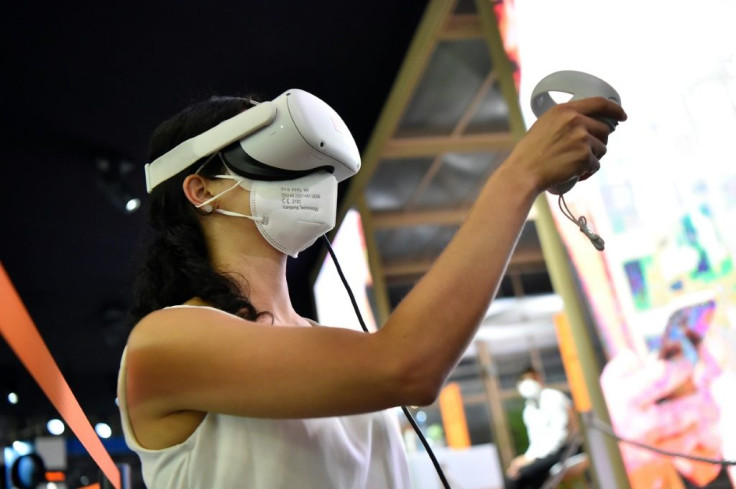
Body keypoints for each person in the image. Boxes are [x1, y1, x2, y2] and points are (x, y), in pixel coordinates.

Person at [117, 91, 626, 489]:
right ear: (201, 189)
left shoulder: (326, 343)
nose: (308, 178)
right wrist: (521, 175)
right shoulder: (166, 342)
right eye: (275, 155)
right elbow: (407, 365)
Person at [506, 367, 576, 489]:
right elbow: (536, 441)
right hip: (545, 454)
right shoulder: (529, 409)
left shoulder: (553, 397)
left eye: (531, 379)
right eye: (524, 380)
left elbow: (560, 435)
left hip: (567, 449)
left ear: (539, 379)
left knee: (525, 475)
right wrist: (526, 458)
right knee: (514, 475)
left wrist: (533, 459)